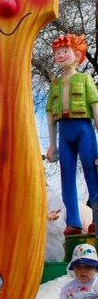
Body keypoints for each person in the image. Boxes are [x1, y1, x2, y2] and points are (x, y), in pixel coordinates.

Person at [46, 34, 98, 236]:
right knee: (66, 176)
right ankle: (73, 222)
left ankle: (95, 218)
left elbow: (95, 108)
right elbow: (50, 115)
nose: (60, 56)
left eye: (64, 52)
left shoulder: (85, 79)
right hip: (64, 133)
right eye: (57, 53)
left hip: (84, 129)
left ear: (77, 55)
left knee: (91, 173)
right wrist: (52, 144)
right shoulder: (55, 85)